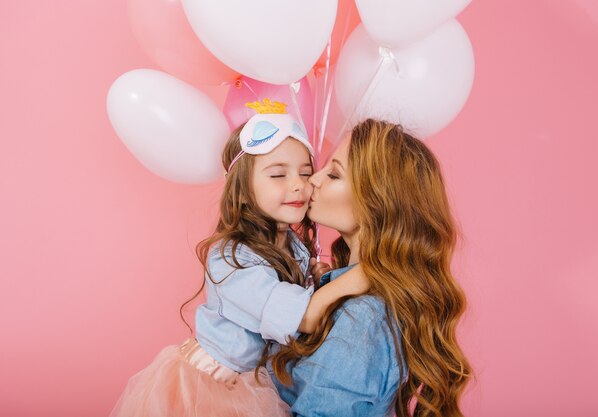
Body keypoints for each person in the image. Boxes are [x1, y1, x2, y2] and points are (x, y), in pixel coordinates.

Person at [110, 100, 367, 417]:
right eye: (278, 175)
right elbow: (303, 317)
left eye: (305, 172)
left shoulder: (294, 245)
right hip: (213, 384)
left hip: (257, 378)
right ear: (243, 189)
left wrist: (316, 277)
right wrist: (356, 277)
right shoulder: (232, 258)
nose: (299, 184)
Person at [270, 119, 472, 417]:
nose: (314, 179)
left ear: (377, 204)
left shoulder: (363, 317)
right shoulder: (345, 293)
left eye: (335, 174)